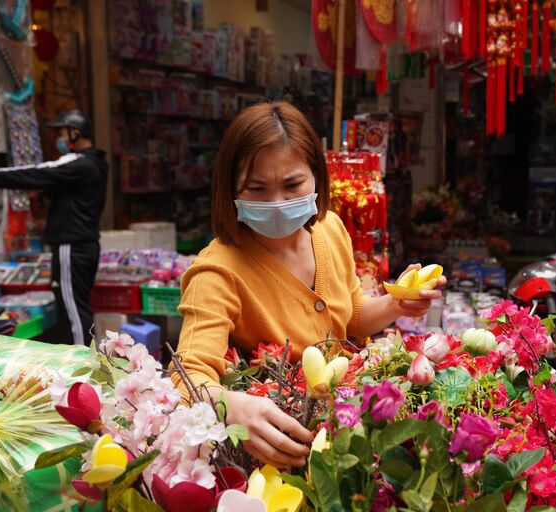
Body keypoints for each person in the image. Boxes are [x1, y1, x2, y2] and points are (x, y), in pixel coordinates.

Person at [173, 101, 444, 468]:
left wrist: (398, 302)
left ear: (317, 175)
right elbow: (188, 377)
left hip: (350, 437)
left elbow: (351, 320)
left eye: (292, 184)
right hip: (280, 455)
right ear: (231, 190)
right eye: (257, 188)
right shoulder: (217, 271)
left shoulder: (329, 228)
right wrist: (229, 405)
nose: (278, 202)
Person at [0, 111, 108, 345]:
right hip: (82, 245)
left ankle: (85, 364)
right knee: (73, 307)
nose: (59, 138)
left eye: (61, 132)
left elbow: (32, 173)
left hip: (72, 247)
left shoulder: (78, 164)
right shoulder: (95, 164)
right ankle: (83, 360)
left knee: (74, 312)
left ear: (75, 132)